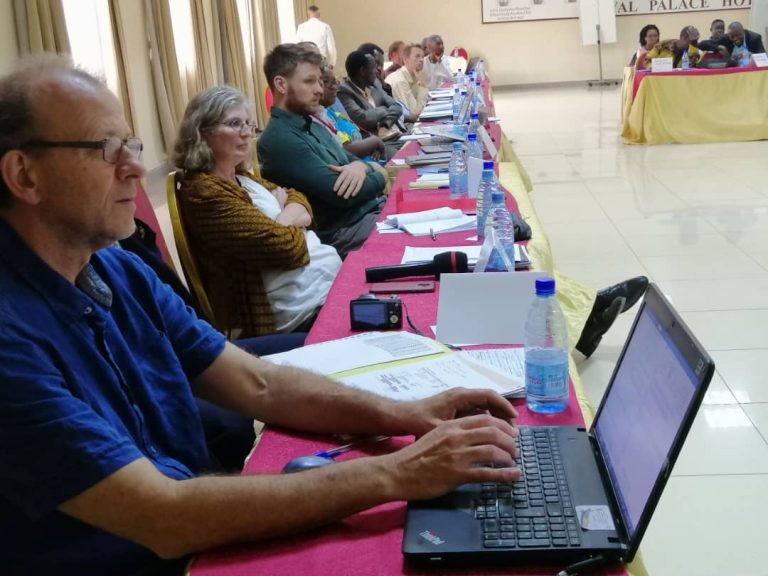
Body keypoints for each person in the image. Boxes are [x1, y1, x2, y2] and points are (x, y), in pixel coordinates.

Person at [0, 53, 522, 575]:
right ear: (25, 175)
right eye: (108, 150)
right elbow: (163, 516)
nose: (136, 170)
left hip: (193, 523)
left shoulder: (116, 269)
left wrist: (408, 414)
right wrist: (397, 473)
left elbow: (259, 384)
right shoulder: (10, 339)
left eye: (130, 146)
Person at [172, 85, 342, 337]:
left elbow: (301, 200)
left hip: (327, 291)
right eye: (234, 124)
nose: (246, 134)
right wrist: (287, 218)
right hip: (300, 315)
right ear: (202, 132)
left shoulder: (241, 178)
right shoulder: (204, 192)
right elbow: (285, 250)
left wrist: (281, 220)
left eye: (249, 125)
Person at [257, 44, 388, 258]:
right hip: (346, 233)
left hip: (370, 213)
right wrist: (378, 174)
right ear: (281, 84)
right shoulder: (280, 139)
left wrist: (358, 167)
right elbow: (344, 195)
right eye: (309, 81)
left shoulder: (311, 122)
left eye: (319, 81)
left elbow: (353, 160)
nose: (319, 89)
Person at [316, 64, 387, 161]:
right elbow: (342, 150)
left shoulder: (333, 113)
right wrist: (374, 142)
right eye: (325, 82)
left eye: (335, 82)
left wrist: (371, 147)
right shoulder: (318, 118)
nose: (334, 87)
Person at [337, 50, 407, 135]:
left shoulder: (375, 84)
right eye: (374, 67)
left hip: (395, 132)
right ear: (362, 71)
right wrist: (384, 109)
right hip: (377, 143)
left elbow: (397, 106)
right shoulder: (344, 91)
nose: (377, 71)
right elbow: (363, 119)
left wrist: (386, 122)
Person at [386, 43, 429, 117]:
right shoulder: (400, 80)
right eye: (417, 56)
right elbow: (414, 112)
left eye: (423, 56)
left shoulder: (415, 75)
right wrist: (423, 86)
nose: (422, 60)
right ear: (406, 60)